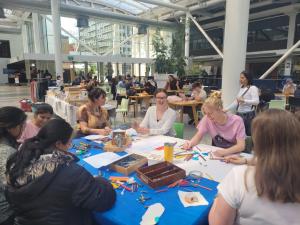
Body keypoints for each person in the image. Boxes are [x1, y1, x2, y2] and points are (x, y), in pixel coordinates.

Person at [5, 119, 116, 225]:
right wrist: (100, 180)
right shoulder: (70, 172)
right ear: (58, 144)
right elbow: (103, 201)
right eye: (69, 143)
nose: (70, 146)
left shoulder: (18, 161)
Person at [209, 109, 300, 225]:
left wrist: (218, 199)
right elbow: (277, 158)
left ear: (258, 143)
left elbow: (217, 223)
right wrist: (245, 160)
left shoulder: (240, 177)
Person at [183, 92, 246, 157]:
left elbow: (241, 146)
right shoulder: (207, 118)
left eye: (210, 113)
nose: (208, 117)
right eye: (206, 114)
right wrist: (190, 143)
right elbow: (198, 136)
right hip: (217, 153)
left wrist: (224, 152)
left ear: (220, 109)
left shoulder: (237, 121)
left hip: (233, 154)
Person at [0, 107, 27, 225]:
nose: (23, 129)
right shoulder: (7, 153)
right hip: (7, 214)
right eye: (22, 125)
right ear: (12, 127)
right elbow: (16, 188)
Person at [225, 71, 259, 136]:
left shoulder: (253, 88)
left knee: (248, 134)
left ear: (248, 78)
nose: (240, 79)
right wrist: (226, 109)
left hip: (248, 115)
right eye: (240, 78)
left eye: (242, 78)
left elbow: (256, 102)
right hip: (239, 114)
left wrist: (244, 101)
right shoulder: (241, 88)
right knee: (239, 134)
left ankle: (249, 146)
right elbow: (237, 101)